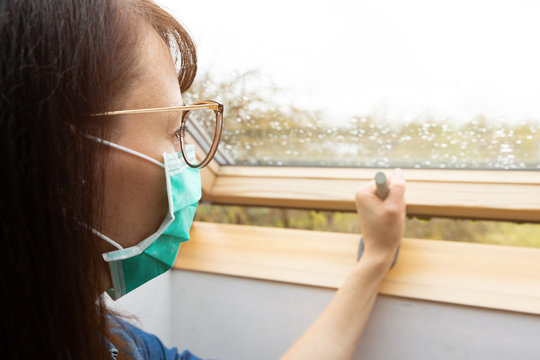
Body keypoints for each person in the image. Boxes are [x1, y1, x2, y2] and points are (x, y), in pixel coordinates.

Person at [1, 0, 406, 359]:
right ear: (68, 160)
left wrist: (372, 262)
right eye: (175, 130)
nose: (190, 160)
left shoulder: (105, 338)